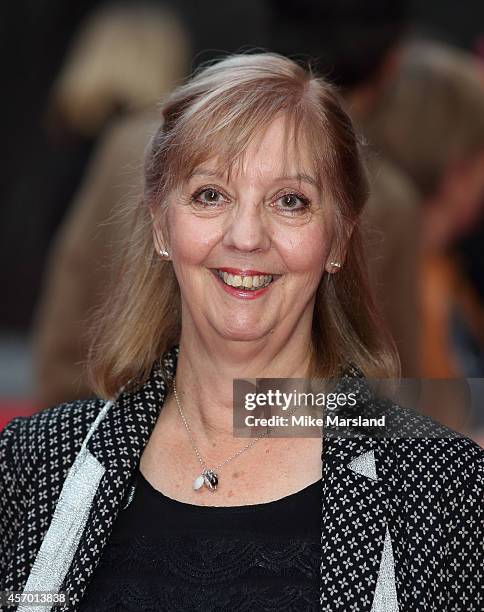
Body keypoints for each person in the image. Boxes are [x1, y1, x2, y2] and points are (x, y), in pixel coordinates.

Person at [0, 53, 482, 611]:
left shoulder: (440, 489)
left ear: (339, 239)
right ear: (162, 221)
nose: (246, 236)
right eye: (211, 195)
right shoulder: (36, 464)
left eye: (290, 201)